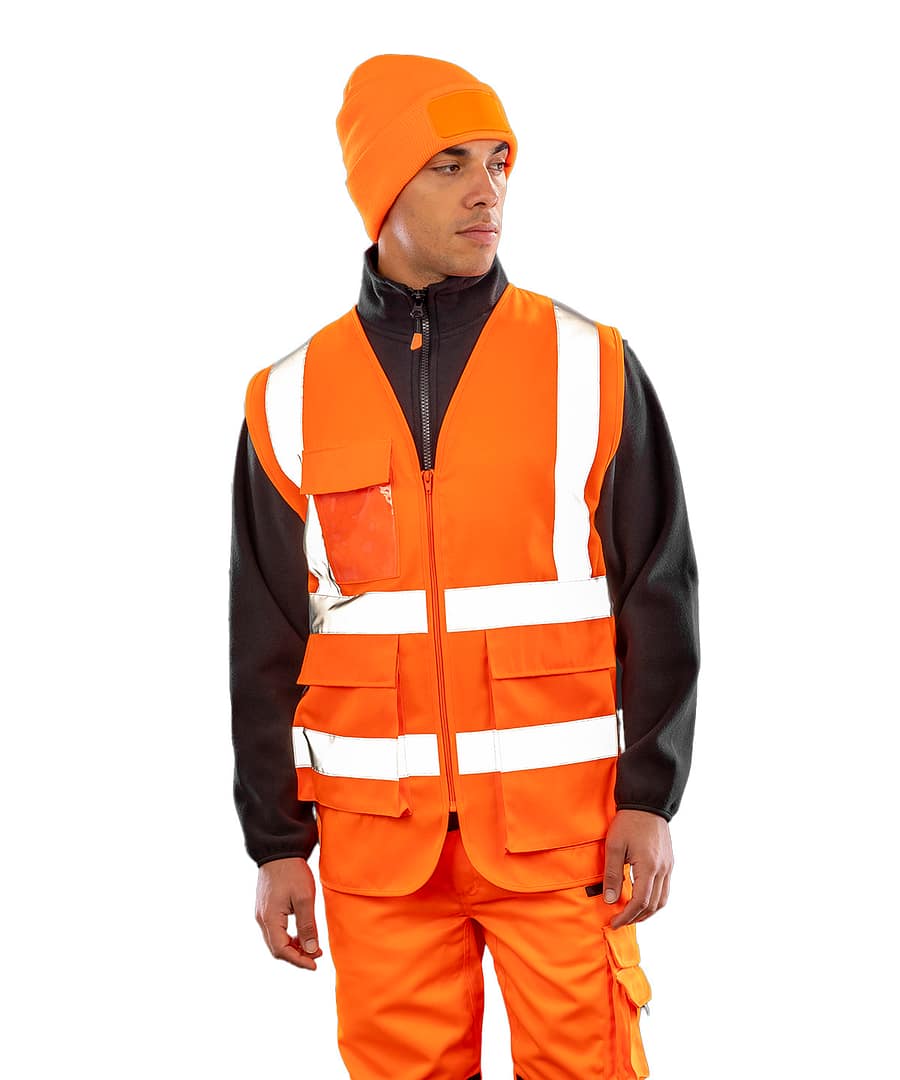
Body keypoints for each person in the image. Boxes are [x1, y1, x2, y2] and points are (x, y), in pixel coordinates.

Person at [229, 52, 700, 1080]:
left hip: (563, 843)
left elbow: (659, 593)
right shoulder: (289, 396)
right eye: (449, 164)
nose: (487, 191)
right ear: (379, 190)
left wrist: (651, 795)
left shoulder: (589, 363)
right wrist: (277, 844)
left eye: (497, 161)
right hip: (378, 855)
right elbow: (264, 635)